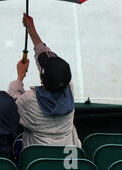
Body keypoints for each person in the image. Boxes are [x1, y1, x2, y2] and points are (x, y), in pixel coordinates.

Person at [8, 14, 81, 148]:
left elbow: (12, 101)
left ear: (42, 79)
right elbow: (47, 61)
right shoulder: (69, 89)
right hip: (69, 161)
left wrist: (20, 77)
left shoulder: (29, 100)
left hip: (37, 163)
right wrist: (32, 30)